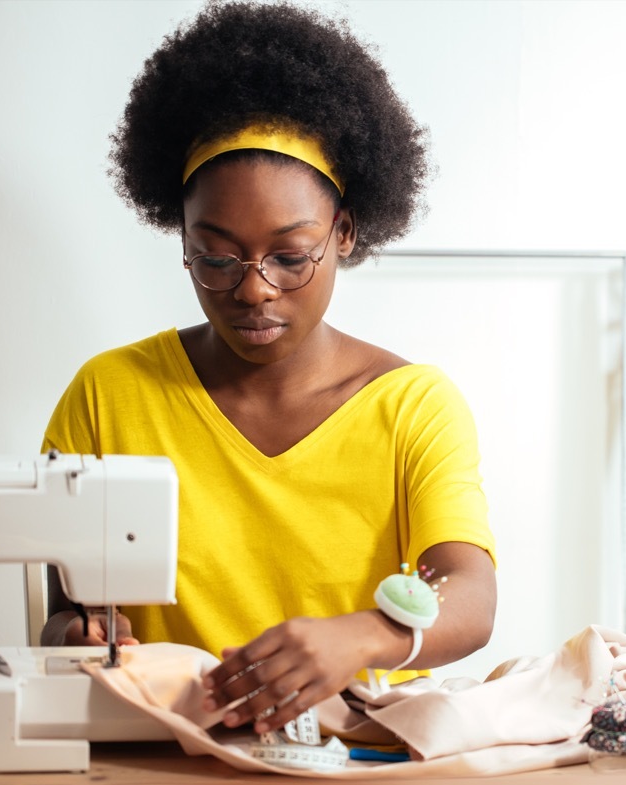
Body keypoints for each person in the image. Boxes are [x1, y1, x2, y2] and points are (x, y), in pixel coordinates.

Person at [39, 0, 497, 737]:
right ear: (180, 239)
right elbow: (62, 610)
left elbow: (470, 595)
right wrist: (80, 633)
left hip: (352, 759)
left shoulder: (412, 406)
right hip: (168, 755)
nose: (253, 288)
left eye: (290, 255)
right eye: (217, 256)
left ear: (344, 233)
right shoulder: (109, 395)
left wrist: (364, 637)